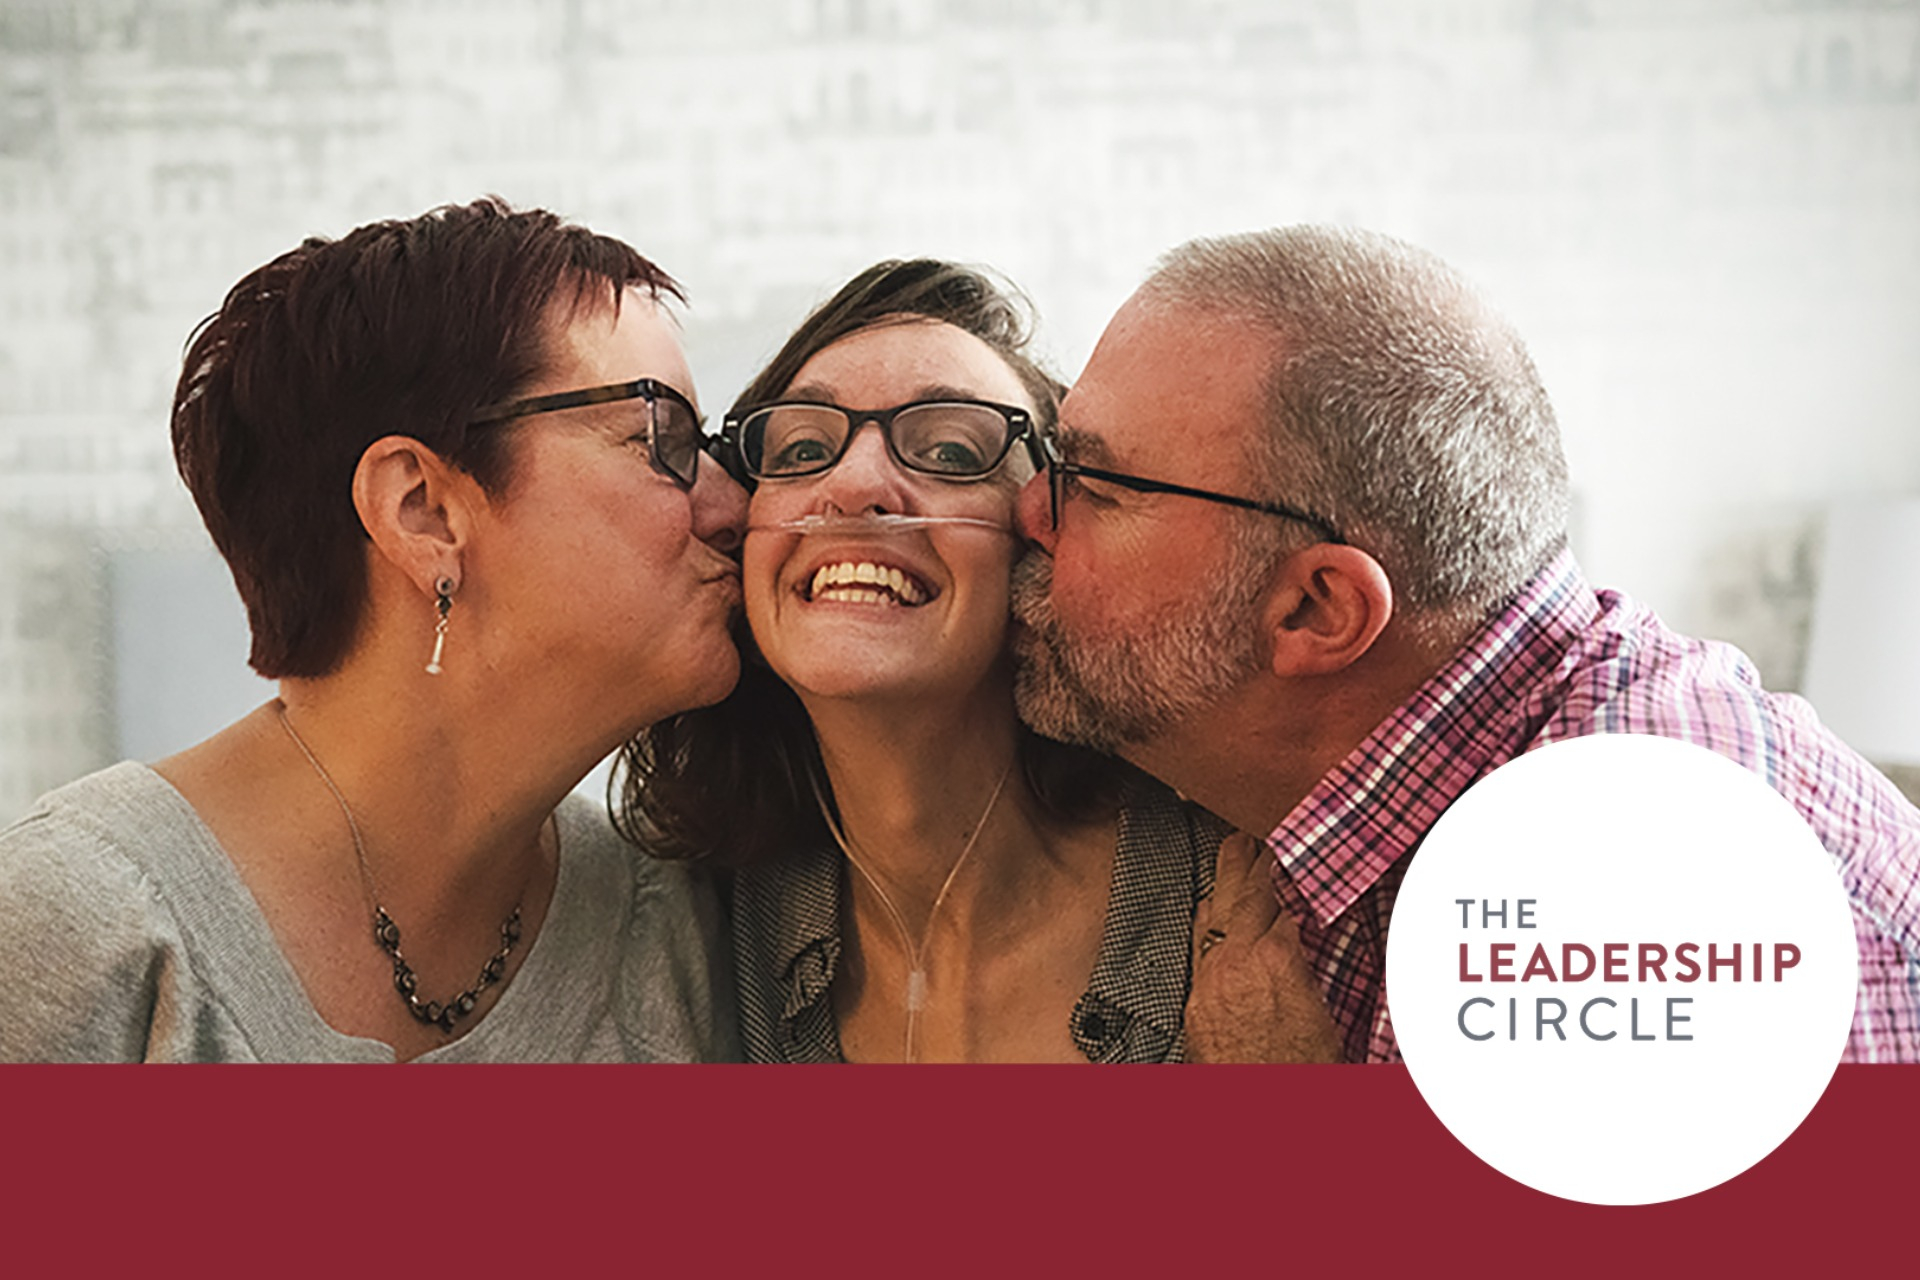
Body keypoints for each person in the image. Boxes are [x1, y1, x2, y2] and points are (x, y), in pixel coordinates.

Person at [1010, 225, 1920, 1063]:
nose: (1029, 511)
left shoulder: (1630, 886)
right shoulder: (1355, 806)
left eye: (1096, 484)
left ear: (1317, 612)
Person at [0, 198, 745, 1062]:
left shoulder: (669, 929)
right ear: (422, 510)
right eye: (662, 438)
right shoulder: (80, 934)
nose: (733, 506)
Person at [620, 259, 1304, 1062]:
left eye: (949, 452)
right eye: (802, 447)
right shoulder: (701, 926)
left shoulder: (1256, 915)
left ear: (1043, 549)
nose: (855, 486)